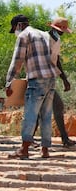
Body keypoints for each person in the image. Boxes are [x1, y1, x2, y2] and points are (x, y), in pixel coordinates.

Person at [6, 15, 57, 159]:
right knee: (46, 116)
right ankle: (45, 150)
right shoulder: (44, 34)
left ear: (19, 25)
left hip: (37, 80)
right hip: (51, 79)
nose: (15, 31)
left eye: (15, 28)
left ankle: (24, 149)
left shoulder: (24, 35)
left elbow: (17, 60)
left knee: (30, 115)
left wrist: (9, 81)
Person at [47, 17, 75, 147]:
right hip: (42, 77)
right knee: (54, 107)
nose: (62, 32)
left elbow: (56, 61)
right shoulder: (45, 39)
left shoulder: (56, 40)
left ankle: (64, 139)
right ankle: (28, 141)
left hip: (49, 78)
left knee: (54, 107)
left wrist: (64, 79)